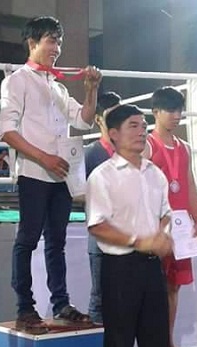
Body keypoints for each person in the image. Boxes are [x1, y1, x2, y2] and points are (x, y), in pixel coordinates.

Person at [87, 104, 192, 347]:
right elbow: (97, 225)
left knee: (155, 342)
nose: (141, 130)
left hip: (151, 266)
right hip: (120, 267)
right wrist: (139, 240)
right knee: (119, 346)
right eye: (133, 125)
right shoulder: (102, 176)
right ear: (113, 134)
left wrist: (162, 235)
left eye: (143, 124)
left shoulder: (154, 174)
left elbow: (165, 213)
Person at [0, 15, 102, 334]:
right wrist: (44, 157)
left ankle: (61, 303)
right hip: (33, 172)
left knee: (56, 242)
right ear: (32, 43)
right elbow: (7, 131)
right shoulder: (16, 80)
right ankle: (24, 308)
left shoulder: (57, 86)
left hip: (61, 175)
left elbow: (84, 120)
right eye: (51, 41)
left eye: (59, 42)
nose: (56, 48)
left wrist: (91, 90)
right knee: (27, 240)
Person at [144, 87, 197, 347]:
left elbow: (189, 185)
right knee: (151, 288)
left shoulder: (185, 148)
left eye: (179, 110)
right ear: (156, 112)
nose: (176, 115)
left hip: (180, 226)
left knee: (173, 287)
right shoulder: (147, 144)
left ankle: (167, 345)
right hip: (155, 226)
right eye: (170, 110)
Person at [84, 91, 121, 324]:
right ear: (98, 119)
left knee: (123, 294)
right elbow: (80, 192)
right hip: (100, 235)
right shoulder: (91, 153)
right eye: (112, 114)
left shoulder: (128, 152)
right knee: (99, 296)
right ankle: (99, 343)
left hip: (125, 234)